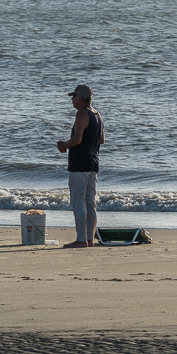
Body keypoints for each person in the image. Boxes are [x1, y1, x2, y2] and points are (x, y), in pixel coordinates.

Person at [57, 84, 105, 248]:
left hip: (80, 164)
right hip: (93, 162)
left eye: (73, 96)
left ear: (80, 98)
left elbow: (77, 140)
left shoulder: (81, 114)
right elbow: (102, 140)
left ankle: (81, 239)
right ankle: (89, 238)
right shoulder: (97, 114)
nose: (71, 99)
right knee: (90, 202)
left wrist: (64, 144)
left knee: (78, 201)